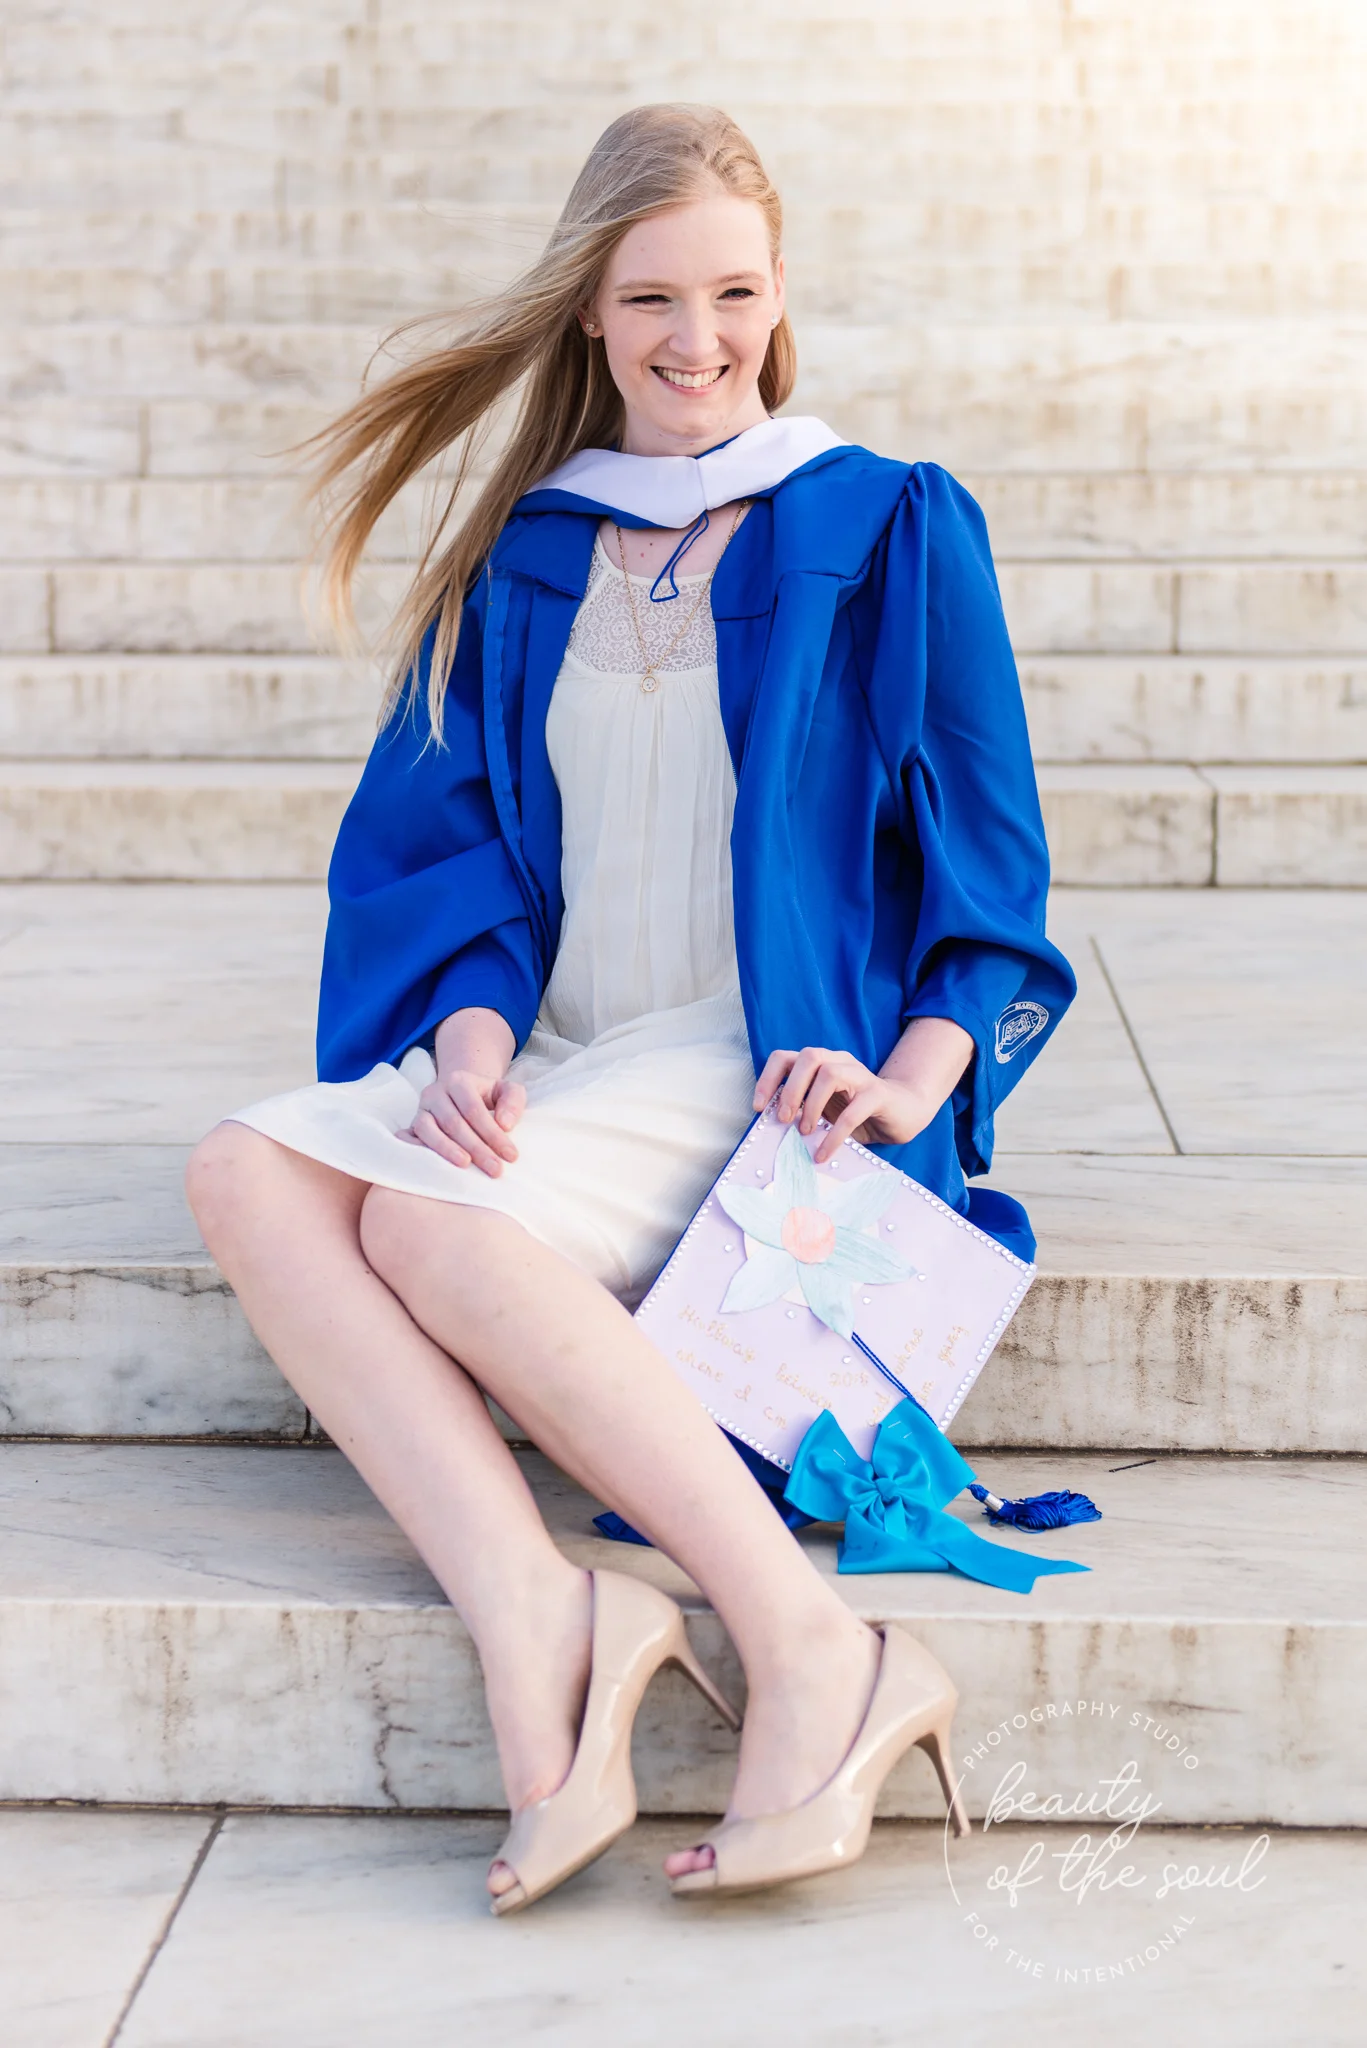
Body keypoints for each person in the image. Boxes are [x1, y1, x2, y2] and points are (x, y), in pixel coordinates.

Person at [187, 102, 1074, 1911]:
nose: (696, 340)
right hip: (567, 1060)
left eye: (733, 293)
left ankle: (811, 1647)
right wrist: (469, 1041)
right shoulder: (530, 554)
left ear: (779, 293)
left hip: (762, 1068)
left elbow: (992, 885)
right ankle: (542, 1605)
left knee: (426, 1229)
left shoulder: (883, 524)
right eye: (652, 298)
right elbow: (459, 857)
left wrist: (912, 1084)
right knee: (244, 1171)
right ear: (588, 309)